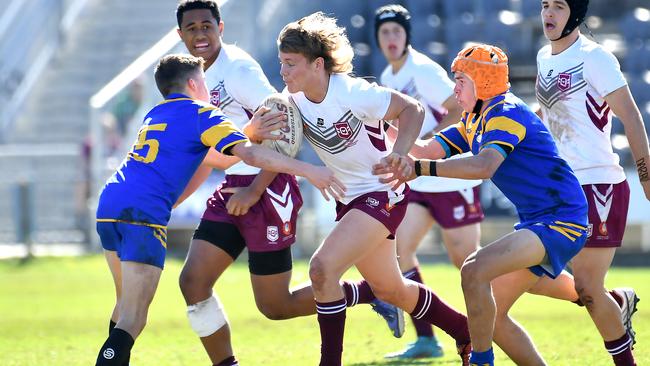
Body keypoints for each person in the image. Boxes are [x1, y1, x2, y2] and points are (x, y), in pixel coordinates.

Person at [173, 2, 399, 365]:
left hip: (267, 190)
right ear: (180, 35)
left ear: (221, 27)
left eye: (206, 25)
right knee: (193, 283)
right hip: (233, 190)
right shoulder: (196, 77)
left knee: (276, 306)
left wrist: (255, 189)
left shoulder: (239, 70)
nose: (200, 34)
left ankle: (371, 292)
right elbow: (209, 151)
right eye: (192, 28)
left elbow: (283, 125)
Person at [93, 53, 344, 366]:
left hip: (110, 204)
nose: (209, 90)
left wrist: (247, 132)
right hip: (143, 215)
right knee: (135, 318)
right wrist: (308, 170)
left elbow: (220, 159)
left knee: (123, 307)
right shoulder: (202, 113)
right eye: (205, 82)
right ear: (194, 83)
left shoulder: (154, 115)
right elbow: (250, 156)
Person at [374, 43, 590, 366]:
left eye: (461, 80)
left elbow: (483, 166)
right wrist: (376, 120)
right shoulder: (476, 118)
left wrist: (415, 170)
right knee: (494, 318)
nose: (454, 87)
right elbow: (426, 149)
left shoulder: (505, 113)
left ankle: (479, 362)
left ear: (484, 82)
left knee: (473, 270)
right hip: (539, 221)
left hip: (561, 220)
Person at [278, 12, 473, 366]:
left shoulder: (353, 91)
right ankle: (466, 332)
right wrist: (255, 131)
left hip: (382, 193)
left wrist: (400, 155)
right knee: (390, 289)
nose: (284, 72)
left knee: (322, 269)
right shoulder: (290, 100)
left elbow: (411, 109)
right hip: (350, 200)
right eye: (281, 63)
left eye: (291, 64)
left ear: (317, 64)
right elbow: (264, 139)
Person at [536, 0, 648, 364]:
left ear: (577, 14)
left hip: (598, 186)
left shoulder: (595, 58)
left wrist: (647, 178)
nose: (548, 14)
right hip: (559, 187)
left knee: (585, 287)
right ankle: (616, 303)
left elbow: (631, 118)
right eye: (544, 5)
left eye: (559, 6)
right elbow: (547, 116)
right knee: (524, 273)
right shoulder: (543, 58)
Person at [373, 5, 483, 358]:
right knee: (399, 251)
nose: (391, 38)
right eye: (384, 32)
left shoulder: (422, 70)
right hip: (418, 181)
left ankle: (491, 330)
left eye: (396, 32)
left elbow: (457, 109)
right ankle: (427, 339)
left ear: (407, 36)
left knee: (470, 265)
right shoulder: (388, 77)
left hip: (450, 179)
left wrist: (426, 147)